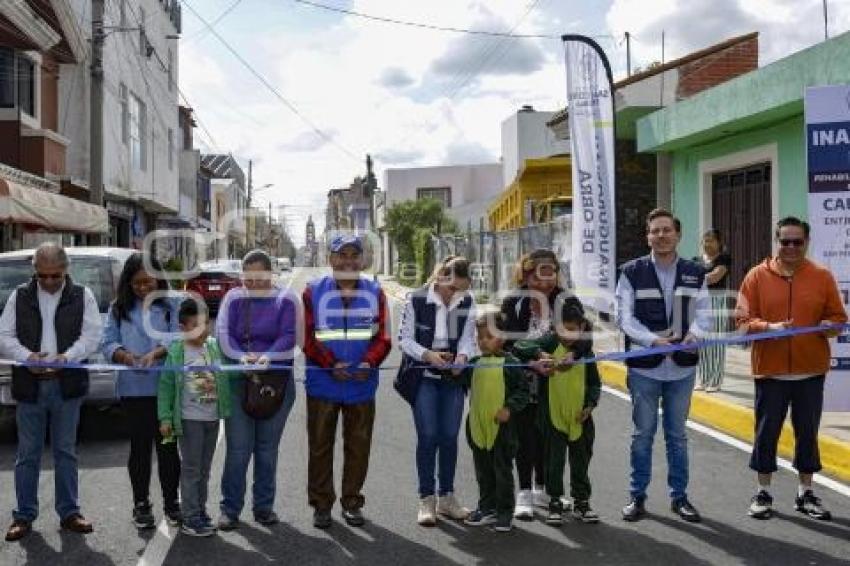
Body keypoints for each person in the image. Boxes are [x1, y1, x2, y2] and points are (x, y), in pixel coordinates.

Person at [736, 216, 847, 520]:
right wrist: (768, 326)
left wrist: (830, 327)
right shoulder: (756, 276)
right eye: (785, 241)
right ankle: (763, 492)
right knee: (766, 433)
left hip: (810, 373)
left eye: (797, 241)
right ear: (777, 242)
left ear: (807, 243)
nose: (791, 247)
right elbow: (741, 322)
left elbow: (838, 318)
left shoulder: (822, 277)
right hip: (770, 372)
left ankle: (805, 494)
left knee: (808, 434)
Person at [0, 242, 102, 541]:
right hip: (29, 386)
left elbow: (92, 335)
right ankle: (23, 515)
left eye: (54, 276)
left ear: (65, 270)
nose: (48, 282)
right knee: (27, 454)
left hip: (66, 385)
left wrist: (66, 358)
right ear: (34, 272)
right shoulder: (19, 296)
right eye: (42, 276)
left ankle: (69, 512)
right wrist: (26, 357)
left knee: (65, 452)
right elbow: (4, 336)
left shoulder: (84, 295)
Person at [616, 208, 710, 523]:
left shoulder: (695, 272)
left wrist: (693, 334)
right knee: (642, 434)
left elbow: (705, 313)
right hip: (645, 368)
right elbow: (624, 317)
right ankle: (637, 496)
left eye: (666, 230)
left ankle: (679, 497)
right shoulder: (631, 271)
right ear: (648, 236)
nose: (661, 235)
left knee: (677, 436)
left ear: (678, 234)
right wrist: (651, 340)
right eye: (654, 231)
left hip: (682, 369)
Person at [302, 235, 392, 529]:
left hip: (361, 383)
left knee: (358, 447)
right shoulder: (312, 291)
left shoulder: (376, 292)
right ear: (331, 259)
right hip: (322, 384)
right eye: (342, 255)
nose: (349, 261)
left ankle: (352, 502)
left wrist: (369, 361)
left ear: (362, 259)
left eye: (355, 255)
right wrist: (330, 365)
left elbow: (384, 337)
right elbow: (305, 337)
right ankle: (322, 505)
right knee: (319, 446)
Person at [500, 249, 589, 519]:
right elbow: (508, 342)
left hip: (558, 380)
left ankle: (544, 487)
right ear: (526, 275)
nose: (547, 282)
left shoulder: (567, 300)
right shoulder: (513, 302)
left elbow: (585, 335)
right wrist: (534, 358)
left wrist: (574, 355)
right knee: (525, 435)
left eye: (551, 275)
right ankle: (524, 491)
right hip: (525, 376)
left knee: (549, 438)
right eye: (540, 276)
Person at [216, 250, 298, 529]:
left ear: (271, 274)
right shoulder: (233, 298)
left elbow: (290, 336)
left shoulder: (286, 299)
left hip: (276, 384)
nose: (253, 284)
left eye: (259, 277)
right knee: (238, 449)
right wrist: (241, 358)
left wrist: (268, 358)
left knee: (266, 449)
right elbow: (223, 335)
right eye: (248, 278)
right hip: (240, 381)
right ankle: (230, 508)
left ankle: (263, 507)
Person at [101, 252, 181, 529]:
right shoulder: (118, 309)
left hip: (165, 391)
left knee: (168, 448)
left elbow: (178, 340)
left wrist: (155, 354)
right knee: (140, 449)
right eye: (137, 283)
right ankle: (141, 504)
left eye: (148, 282)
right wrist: (125, 357)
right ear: (128, 282)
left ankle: (172, 504)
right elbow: (108, 342)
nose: (143, 287)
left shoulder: (172, 305)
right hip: (133, 391)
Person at [397, 256, 477, 526]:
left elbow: (468, 338)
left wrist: (462, 359)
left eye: (462, 289)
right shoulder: (417, 299)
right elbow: (404, 340)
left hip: (452, 378)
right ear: (441, 277)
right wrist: (428, 355)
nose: (457, 294)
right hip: (424, 377)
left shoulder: (467, 301)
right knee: (428, 435)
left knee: (449, 436)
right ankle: (426, 499)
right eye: (453, 288)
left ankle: (447, 498)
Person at [513, 304, 601, 525]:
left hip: (580, 418)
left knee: (581, 461)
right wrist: (537, 353)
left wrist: (590, 405)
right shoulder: (550, 343)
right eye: (563, 329)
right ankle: (554, 502)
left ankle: (582, 502)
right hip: (553, 417)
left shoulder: (585, 352)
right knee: (554, 462)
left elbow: (594, 384)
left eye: (573, 330)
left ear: (581, 328)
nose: (567, 335)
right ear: (554, 328)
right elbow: (519, 345)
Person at [158, 299, 232, 537]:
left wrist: (248, 370)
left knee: (205, 469)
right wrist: (165, 418)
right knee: (191, 469)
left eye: (206, 325)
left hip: (212, 419)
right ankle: (190, 517)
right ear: (182, 328)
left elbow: (227, 374)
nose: (203, 331)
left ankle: (200, 510)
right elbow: (166, 386)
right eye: (196, 326)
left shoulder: (212, 347)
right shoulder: (177, 352)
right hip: (189, 421)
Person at [461, 311, 529, 533]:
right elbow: (458, 377)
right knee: (483, 471)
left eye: (488, 336)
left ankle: (505, 512)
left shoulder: (512, 364)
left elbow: (523, 392)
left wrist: (509, 408)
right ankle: (487, 508)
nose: (482, 341)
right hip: (478, 426)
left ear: (502, 337)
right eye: (479, 337)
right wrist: (451, 369)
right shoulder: (474, 363)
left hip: (503, 430)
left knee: (502, 470)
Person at [693, 229, 732, 392]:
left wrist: (695, 279)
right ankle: (703, 378)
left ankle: (715, 380)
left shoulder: (723, 258)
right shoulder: (695, 260)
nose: (707, 244)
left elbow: (715, 277)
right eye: (705, 240)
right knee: (701, 340)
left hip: (716, 301)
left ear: (719, 243)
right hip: (700, 302)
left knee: (715, 342)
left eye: (711, 240)